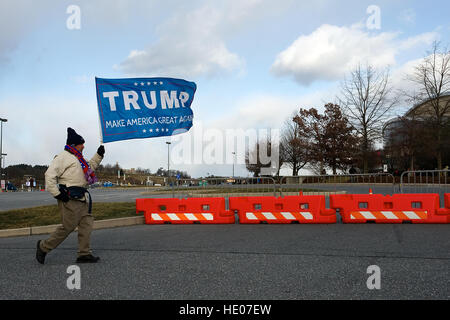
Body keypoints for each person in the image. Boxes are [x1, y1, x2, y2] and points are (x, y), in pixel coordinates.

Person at [36, 128, 105, 264]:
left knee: (86, 224)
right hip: (69, 198)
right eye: (81, 143)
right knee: (68, 227)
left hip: (82, 197)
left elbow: (89, 167)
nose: (84, 146)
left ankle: (84, 254)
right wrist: (58, 194)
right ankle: (43, 247)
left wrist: (99, 155)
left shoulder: (79, 158)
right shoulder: (62, 157)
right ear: (74, 145)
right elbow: (49, 175)